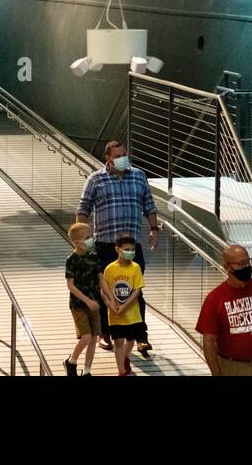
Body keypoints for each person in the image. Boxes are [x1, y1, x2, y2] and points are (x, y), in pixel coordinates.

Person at [75, 140, 161, 357]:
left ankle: (140, 337)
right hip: (105, 245)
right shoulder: (96, 179)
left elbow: (149, 204)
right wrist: (82, 239)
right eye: (118, 155)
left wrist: (153, 228)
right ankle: (107, 333)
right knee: (107, 291)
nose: (123, 157)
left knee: (135, 290)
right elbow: (83, 209)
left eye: (124, 153)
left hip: (132, 246)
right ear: (108, 158)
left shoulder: (138, 176)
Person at [195, 243, 252, 376]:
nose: (246, 267)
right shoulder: (215, 299)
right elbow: (209, 340)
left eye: (248, 262)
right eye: (241, 264)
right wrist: (216, 373)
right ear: (227, 267)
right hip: (232, 367)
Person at [100, 235, 145, 377]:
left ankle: (125, 358)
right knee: (118, 341)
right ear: (117, 250)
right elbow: (104, 290)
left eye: (133, 250)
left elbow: (137, 290)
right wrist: (110, 304)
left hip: (132, 314)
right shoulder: (110, 269)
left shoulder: (136, 268)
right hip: (115, 314)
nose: (131, 252)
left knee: (130, 340)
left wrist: (124, 306)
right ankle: (122, 371)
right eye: (127, 249)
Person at [64, 222, 102, 377]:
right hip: (79, 305)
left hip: (95, 303)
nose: (91, 240)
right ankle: (71, 361)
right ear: (77, 242)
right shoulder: (71, 260)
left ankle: (87, 370)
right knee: (86, 337)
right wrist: (87, 301)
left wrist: (107, 298)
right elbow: (71, 286)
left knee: (93, 339)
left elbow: (101, 279)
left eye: (90, 236)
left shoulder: (94, 257)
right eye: (87, 237)